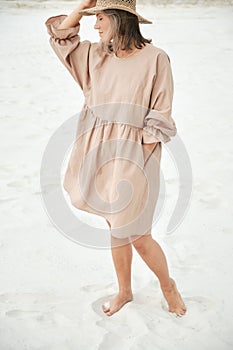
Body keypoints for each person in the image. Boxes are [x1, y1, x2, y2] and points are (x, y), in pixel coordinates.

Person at [45, 0, 187, 317]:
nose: (94, 26)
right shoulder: (94, 56)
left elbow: (161, 113)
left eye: (100, 18)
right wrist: (84, 5)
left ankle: (168, 285)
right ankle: (124, 290)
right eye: (93, 19)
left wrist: (141, 161)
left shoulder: (156, 59)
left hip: (136, 154)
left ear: (120, 20)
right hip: (95, 149)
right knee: (115, 226)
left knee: (138, 234)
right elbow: (62, 36)